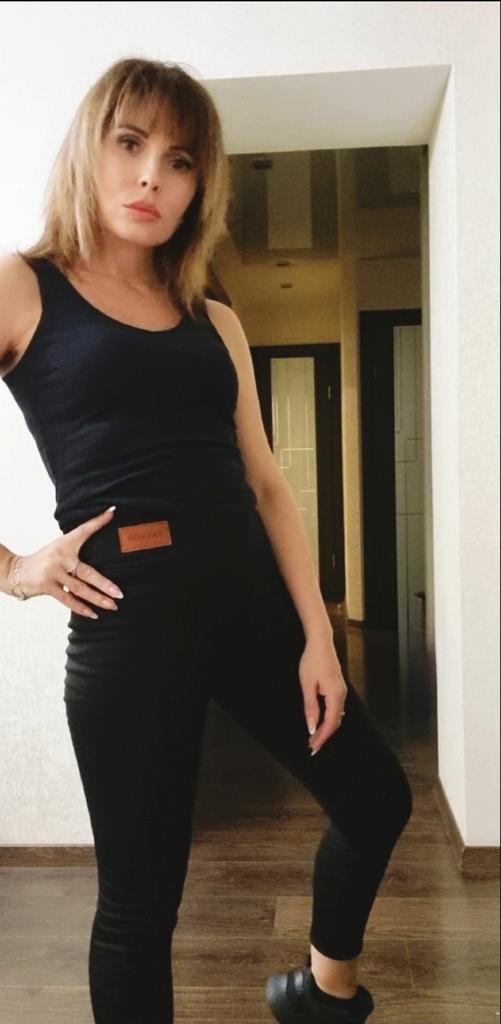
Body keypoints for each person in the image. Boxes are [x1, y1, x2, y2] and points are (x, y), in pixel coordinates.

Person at [0, 57, 413, 1024]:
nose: (152, 175)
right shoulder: (22, 285)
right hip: (130, 626)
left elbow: (265, 484)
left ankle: (322, 995)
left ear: (200, 185)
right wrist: (15, 569)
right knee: (141, 906)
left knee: (375, 799)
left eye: (180, 160)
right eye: (130, 144)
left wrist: (318, 635)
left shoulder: (212, 318)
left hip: (252, 608)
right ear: (91, 150)